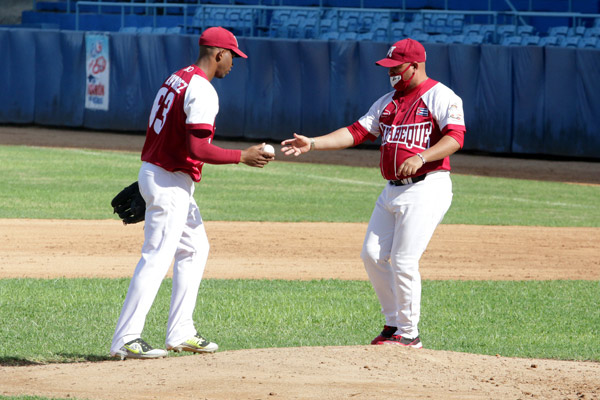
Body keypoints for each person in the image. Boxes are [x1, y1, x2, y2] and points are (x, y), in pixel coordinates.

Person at [281, 38, 466, 349]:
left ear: (415, 66)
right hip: (391, 189)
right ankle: (393, 323)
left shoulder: (440, 95)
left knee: (405, 261)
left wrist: (422, 156)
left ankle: (409, 333)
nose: (391, 73)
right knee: (372, 255)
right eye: (388, 67)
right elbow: (355, 132)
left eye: (396, 67)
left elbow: (456, 138)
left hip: (427, 185)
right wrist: (312, 142)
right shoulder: (387, 102)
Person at [110, 26, 274, 360]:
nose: (233, 63)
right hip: (169, 179)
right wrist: (242, 156)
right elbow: (198, 148)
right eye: (232, 57)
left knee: (196, 247)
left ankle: (181, 331)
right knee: (156, 256)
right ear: (219, 54)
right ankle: (126, 337)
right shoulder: (203, 90)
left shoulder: (177, 77)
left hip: (162, 173)